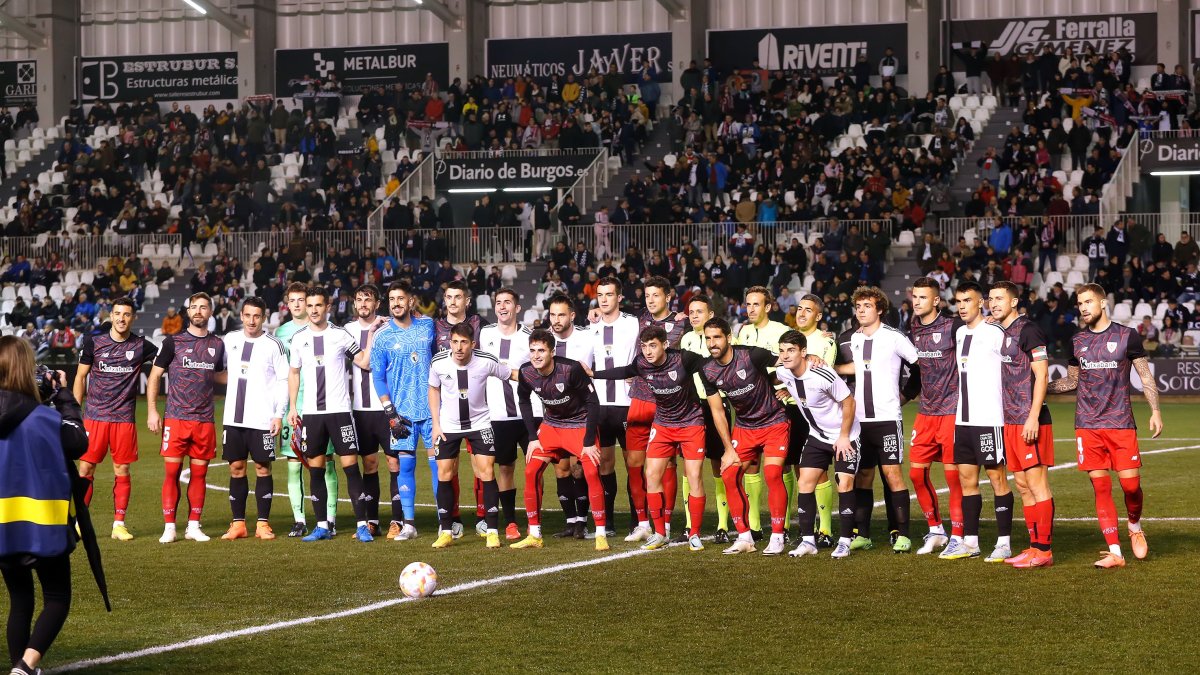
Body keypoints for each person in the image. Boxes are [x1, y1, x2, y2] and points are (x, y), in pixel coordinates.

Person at [591, 325, 734, 551]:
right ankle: (659, 533)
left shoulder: (683, 359)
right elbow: (624, 371)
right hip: (663, 424)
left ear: (665, 345)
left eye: (653, 346)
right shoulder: (641, 363)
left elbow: (711, 364)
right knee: (651, 474)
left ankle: (694, 533)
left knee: (695, 476)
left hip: (690, 423)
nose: (648, 351)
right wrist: (593, 373)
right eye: (644, 346)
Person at [1049, 283, 1161, 568]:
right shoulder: (1077, 341)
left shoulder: (1127, 336)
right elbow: (1072, 381)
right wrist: (1040, 387)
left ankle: (1134, 526)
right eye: (1080, 303)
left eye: (1088, 302)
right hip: (1087, 424)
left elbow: (1145, 377)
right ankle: (1115, 552)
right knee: (1101, 487)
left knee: (1131, 486)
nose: (1084, 308)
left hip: (1121, 422)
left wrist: (1155, 411)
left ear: (1103, 304)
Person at [0, 338, 91, 675]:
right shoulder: (43, 419)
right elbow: (79, 442)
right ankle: (25, 667)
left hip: (4, 527)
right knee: (57, 598)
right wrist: (64, 397)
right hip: (44, 526)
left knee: (20, 601)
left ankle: (17, 668)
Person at [286, 287, 379, 543]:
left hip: (339, 413)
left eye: (319, 305)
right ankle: (322, 526)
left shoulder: (340, 335)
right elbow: (294, 373)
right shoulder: (298, 338)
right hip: (312, 415)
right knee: (315, 471)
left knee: (350, 468)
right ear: (306, 307)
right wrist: (293, 407)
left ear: (327, 307)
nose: (314, 310)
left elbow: (363, 361)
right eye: (310, 305)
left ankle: (362, 525)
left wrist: (370, 335)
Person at [833, 287, 919, 553]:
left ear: (879, 309)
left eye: (867, 306)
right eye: (858, 306)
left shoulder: (894, 337)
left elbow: (917, 367)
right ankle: (864, 535)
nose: (861, 310)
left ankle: (903, 534)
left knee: (893, 475)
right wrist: (828, 366)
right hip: (859, 421)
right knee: (862, 478)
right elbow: (855, 368)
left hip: (886, 419)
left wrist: (905, 396)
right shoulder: (855, 339)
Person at [511, 330, 609, 551]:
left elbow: (593, 402)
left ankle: (600, 533)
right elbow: (524, 401)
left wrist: (589, 440)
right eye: (533, 350)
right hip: (552, 426)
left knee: (591, 472)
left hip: (580, 425)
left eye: (542, 350)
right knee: (530, 471)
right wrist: (533, 437)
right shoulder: (527, 372)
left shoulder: (571, 369)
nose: (536, 355)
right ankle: (534, 534)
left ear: (552, 352)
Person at [698, 319, 790, 555]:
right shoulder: (707, 370)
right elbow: (717, 411)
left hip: (774, 422)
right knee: (729, 475)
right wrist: (728, 448)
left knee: (772, 473)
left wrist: (795, 380)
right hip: (745, 428)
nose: (712, 343)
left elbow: (789, 360)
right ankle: (744, 537)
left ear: (729, 337)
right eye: (708, 338)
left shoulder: (752, 356)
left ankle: (778, 536)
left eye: (716, 337)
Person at [939, 281, 1014, 562]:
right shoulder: (959, 333)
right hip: (964, 420)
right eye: (958, 301)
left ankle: (1004, 542)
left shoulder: (996, 332)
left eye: (967, 301)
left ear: (980, 303)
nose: (961, 306)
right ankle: (970, 541)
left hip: (990, 419)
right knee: (966, 480)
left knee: (997, 479)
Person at [72, 297, 158, 541]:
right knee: (86, 468)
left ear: (133, 317)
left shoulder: (142, 346)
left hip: (123, 419)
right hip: (94, 417)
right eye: (118, 313)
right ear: (111, 315)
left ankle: (119, 524)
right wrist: (74, 414)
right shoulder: (93, 342)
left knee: (122, 469)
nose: (121, 318)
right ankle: (80, 521)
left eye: (127, 314)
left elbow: (164, 360)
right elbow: (80, 378)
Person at [147, 292, 226, 544]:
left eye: (203, 307)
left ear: (210, 312)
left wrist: (250, 373)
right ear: (188, 311)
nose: (198, 311)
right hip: (176, 418)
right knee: (172, 473)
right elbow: (155, 376)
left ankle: (193, 525)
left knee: (199, 475)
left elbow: (220, 376)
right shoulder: (173, 342)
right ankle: (169, 526)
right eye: (194, 307)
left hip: (204, 420)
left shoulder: (218, 344)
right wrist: (151, 410)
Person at [427, 324, 516, 549]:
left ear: (472, 344)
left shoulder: (486, 360)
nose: (458, 347)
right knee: (445, 474)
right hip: (448, 425)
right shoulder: (438, 362)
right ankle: (446, 530)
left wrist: (540, 379)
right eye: (454, 341)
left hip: (480, 423)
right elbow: (433, 389)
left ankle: (493, 531)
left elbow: (510, 374)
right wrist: (436, 424)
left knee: (486, 471)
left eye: (463, 342)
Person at [775, 331, 861, 559]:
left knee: (845, 483)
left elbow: (849, 402)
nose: (785, 355)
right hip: (817, 436)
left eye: (791, 350)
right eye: (782, 350)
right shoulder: (783, 372)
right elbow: (779, 375)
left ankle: (844, 541)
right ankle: (808, 541)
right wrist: (786, 389)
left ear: (803, 352)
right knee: (805, 482)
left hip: (846, 435)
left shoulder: (823, 374)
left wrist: (843, 436)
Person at [988, 281, 1056, 568]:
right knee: (1022, 485)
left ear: (1014, 302)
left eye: (1000, 299)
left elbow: (1042, 376)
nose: (993, 303)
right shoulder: (1001, 332)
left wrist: (1032, 415)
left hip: (1031, 419)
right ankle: (1032, 546)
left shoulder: (1029, 330)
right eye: (990, 299)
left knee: (1037, 484)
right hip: (1010, 420)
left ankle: (1045, 550)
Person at [218, 297, 290, 541]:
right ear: (241, 316)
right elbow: (217, 367)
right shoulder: (230, 340)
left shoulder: (274, 345)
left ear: (264, 318)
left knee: (262, 468)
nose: (251, 320)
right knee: (236, 468)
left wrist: (278, 415)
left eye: (257, 316)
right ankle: (238, 524)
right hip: (233, 419)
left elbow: (283, 381)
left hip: (262, 419)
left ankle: (262, 523)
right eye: (248, 315)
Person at [371, 281, 437, 542]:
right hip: (403, 415)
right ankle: (409, 524)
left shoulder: (428, 326)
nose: (396, 303)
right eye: (392, 299)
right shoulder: (382, 336)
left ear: (411, 301)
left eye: (401, 298)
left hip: (432, 411)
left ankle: (445, 522)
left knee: (438, 467)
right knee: (404, 467)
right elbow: (378, 378)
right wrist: (390, 413)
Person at [625, 277, 689, 540]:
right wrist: (595, 312)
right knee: (633, 463)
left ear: (669, 296)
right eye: (647, 296)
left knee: (668, 464)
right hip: (639, 398)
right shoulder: (638, 321)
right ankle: (643, 523)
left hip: (668, 402)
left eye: (656, 295)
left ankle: (666, 522)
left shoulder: (683, 323)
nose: (651, 300)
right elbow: (611, 315)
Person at [275, 282, 339, 538]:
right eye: (294, 300)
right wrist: (285, 407)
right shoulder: (281, 332)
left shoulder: (327, 329)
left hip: (325, 405)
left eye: (303, 299)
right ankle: (299, 520)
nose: (299, 304)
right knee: (293, 465)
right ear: (287, 304)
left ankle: (330, 519)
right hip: (294, 407)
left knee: (327, 463)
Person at [905, 278, 964, 554]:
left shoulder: (954, 326)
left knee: (954, 477)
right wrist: (903, 398)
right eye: (915, 297)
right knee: (917, 475)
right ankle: (936, 530)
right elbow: (916, 374)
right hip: (926, 413)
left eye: (923, 297)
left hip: (952, 412)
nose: (917, 301)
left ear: (936, 300)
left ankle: (958, 535)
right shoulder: (913, 329)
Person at [734, 286, 795, 542]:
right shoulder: (743, 332)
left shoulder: (781, 332)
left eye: (756, 304)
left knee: (782, 467)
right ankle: (756, 525)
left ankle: (786, 521)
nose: (750, 309)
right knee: (750, 467)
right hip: (747, 410)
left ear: (768, 307)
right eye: (748, 304)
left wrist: (789, 393)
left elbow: (795, 360)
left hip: (777, 408)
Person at [480, 289, 541, 540]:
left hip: (531, 413)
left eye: (508, 302)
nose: (502, 306)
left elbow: (539, 369)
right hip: (498, 415)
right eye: (498, 303)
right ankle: (511, 523)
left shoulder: (529, 337)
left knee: (535, 467)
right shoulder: (485, 335)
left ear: (517, 308)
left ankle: (534, 522)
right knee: (505, 468)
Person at [585, 278, 641, 540]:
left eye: (609, 294)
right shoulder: (590, 327)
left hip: (627, 404)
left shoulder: (633, 323)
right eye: (600, 295)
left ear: (620, 297)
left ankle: (636, 519)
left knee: (633, 464)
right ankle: (606, 520)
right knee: (605, 464)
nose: (604, 299)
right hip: (601, 406)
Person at [679, 296, 731, 543]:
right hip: (691, 407)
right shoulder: (687, 339)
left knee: (718, 465)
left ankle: (722, 524)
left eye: (699, 311)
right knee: (690, 468)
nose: (694, 315)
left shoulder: (720, 338)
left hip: (716, 404)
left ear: (710, 314)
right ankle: (690, 524)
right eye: (691, 312)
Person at [545, 294, 596, 537]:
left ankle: (583, 522)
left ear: (572, 315)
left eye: (561, 314)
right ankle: (570, 521)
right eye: (552, 314)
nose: (556, 319)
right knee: (561, 470)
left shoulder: (588, 338)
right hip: (554, 416)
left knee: (579, 469)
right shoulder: (543, 340)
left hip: (580, 417)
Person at [791, 293, 837, 546]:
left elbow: (822, 376)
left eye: (808, 310)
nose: (802, 313)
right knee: (798, 469)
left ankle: (826, 530)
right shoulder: (790, 339)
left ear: (818, 316)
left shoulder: (825, 342)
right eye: (799, 308)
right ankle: (801, 524)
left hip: (819, 414)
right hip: (792, 410)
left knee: (818, 471)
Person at [343, 285, 388, 538]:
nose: (362, 303)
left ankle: (399, 522)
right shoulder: (346, 331)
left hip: (386, 407)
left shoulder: (387, 327)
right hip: (359, 409)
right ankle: (371, 520)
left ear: (377, 303)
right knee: (368, 463)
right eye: (358, 299)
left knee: (394, 462)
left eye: (367, 299)